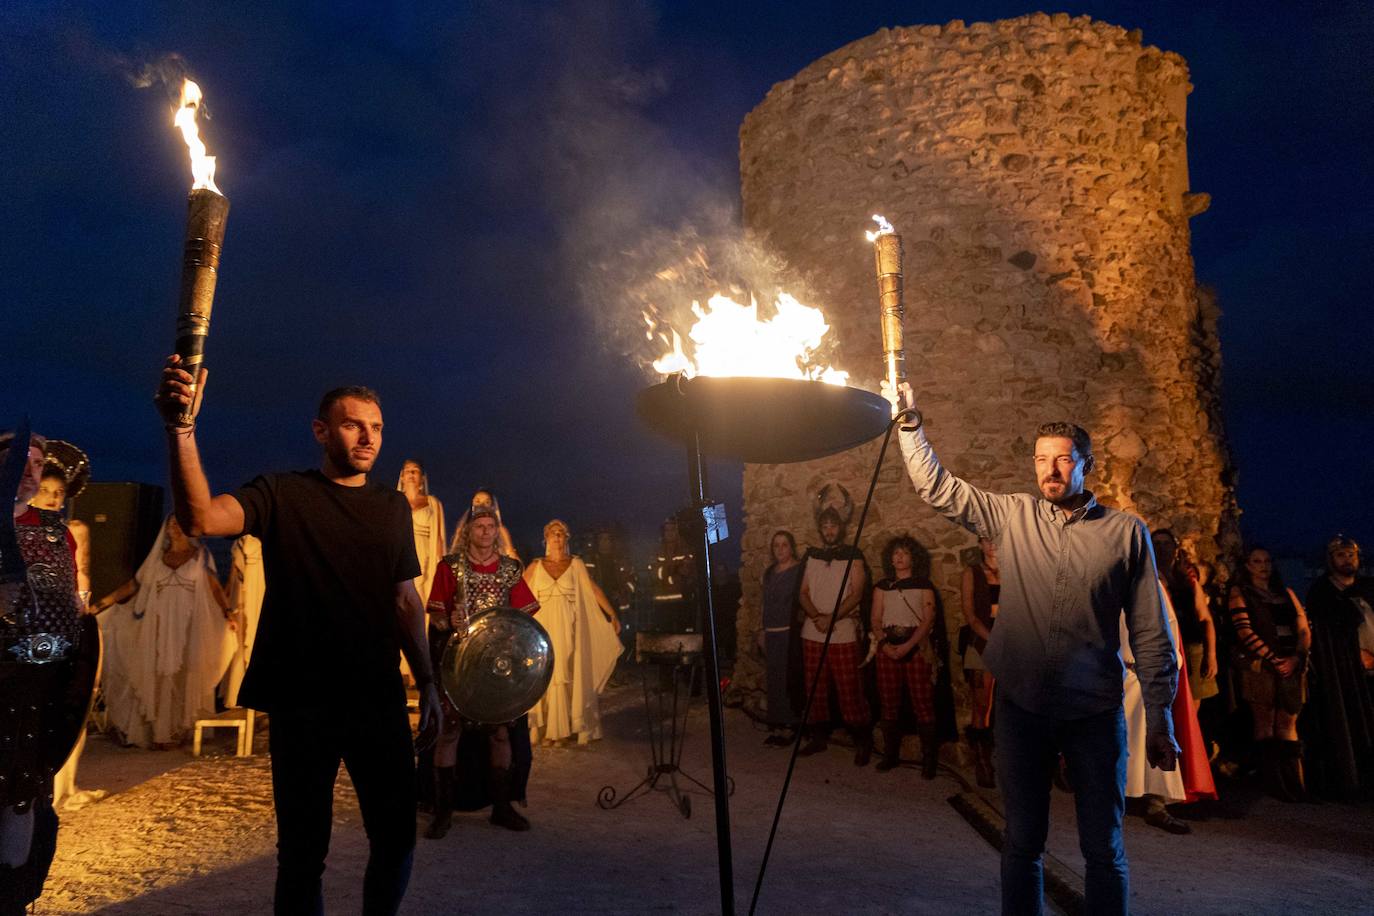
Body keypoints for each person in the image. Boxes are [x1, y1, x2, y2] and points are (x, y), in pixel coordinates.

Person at [154, 356, 441, 916]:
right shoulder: (282, 493)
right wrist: (181, 429)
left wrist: (427, 679)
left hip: (375, 696)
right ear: (321, 430)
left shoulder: (390, 508)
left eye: (377, 427)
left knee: (396, 837)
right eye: (354, 424)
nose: (368, 437)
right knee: (302, 855)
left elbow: (405, 599)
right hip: (301, 699)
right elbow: (201, 520)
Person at [888, 382, 1178, 916]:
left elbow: (1151, 633)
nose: (1052, 470)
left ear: (1086, 465)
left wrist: (1161, 718)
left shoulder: (1125, 533)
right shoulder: (1011, 516)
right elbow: (939, 489)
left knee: (1103, 850)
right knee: (1022, 844)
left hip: (1093, 711)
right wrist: (910, 427)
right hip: (1023, 709)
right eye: (1043, 459)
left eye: (1065, 460)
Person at [0, 428, 95, 914]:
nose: (31, 472)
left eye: (38, 463)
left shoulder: (57, 533)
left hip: (41, 691)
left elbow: (73, 610)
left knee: (27, 808)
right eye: (21, 460)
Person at [425, 507, 540, 836]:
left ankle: (501, 808)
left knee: (499, 733)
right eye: (480, 527)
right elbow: (436, 618)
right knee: (449, 731)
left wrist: (513, 640)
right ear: (468, 531)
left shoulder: (509, 570)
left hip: (497, 666)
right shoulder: (450, 567)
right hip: (458, 662)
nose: (486, 532)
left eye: (492, 527)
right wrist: (450, 621)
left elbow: (524, 619)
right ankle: (442, 812)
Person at [93, 514, 236, 748]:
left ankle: (181, 729)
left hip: (188, 623)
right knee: (159, 675)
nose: (175, 528)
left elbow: (215, 588)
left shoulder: (200, 556)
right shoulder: (157, 559)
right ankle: (160, 731)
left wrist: (228, 612)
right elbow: (134, 585)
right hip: (158, 625)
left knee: (185, 673)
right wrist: (100, 605)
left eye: (180, 524)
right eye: (171, 524)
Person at [28, 445, 105, 811]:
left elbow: (81, 576)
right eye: (45, 491)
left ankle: (66, 788)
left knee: (72, 703)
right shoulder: (15, 529)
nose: (52, 499)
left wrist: (80, 613)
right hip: (28, 627)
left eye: (58, 493)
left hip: (66, 623)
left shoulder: (72, 531)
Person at [525, 519, 622, 747]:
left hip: (569, 627)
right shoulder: (536, 566)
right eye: (553, 534)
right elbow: (520, 594)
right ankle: (548, 730)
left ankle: (568, 727)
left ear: (566, 539)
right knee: (547, 673)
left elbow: (593, 590)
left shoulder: (576, 564)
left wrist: (611, 614)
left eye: (561, 534)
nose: (557, 537)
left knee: (568, 671)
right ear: (546, 539)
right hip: (544, 628)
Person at [1229, 545, 1311, 801]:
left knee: (1287, 722)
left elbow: (1303, 627)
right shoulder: (1240, 593)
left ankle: (1296, 784)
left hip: (1290, 666)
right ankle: (1272, 782)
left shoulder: (1285, 594)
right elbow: (1244, 630)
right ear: (1247, 566)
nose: (1263, 565)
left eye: (1266, 560)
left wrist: (1297, 657)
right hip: (1261, 667)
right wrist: (1273, 658)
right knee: (1265, 722)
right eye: (1257, 561)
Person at [797, 506, 872, 765]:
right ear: (821, 529)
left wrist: (832, 618)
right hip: (813, 629)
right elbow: (803, 592)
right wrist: (818, 617)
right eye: (825, 526)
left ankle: (862, 739)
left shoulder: (854, 555)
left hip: (842, 631)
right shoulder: (812, 557)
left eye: (833, 526)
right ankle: (818, 736)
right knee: (815, 687)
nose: (829, 531)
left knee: (849, 686)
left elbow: (857, 594)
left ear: (841, 528)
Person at [1300, 535, 1374, 798]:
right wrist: (1354, 656)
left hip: (1371, 671)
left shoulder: (1367, 589)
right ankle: (1348, 783)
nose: (1347, 559)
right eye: (1341, 555)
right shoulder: (1323, 593)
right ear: (1331, 560)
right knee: (1345, 725)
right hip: (1342, 675)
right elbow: (1326, 637)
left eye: (1350, 554)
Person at [871, 535, 940, 777]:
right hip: (888, 647)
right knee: (889, 702)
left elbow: (927, 619)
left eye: (904, 553)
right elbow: (875, 618)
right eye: (896, 553)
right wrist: (885, 645)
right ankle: (890, 755)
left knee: (923, 703)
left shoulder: (924, 585)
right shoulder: (882, 586)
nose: (899, 557)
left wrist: (909, 645)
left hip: (916, 649)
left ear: (913, 558)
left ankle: (929, 760)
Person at [1152, 530, 1219, 716]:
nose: (1161, 548)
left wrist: (1211, 654)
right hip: (1164, 649)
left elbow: (1205, 618)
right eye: (1156, 543)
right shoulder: (1147, 577)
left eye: (1166, 543)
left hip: (1191, 647)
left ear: (1175, 548)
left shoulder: (1189, 579)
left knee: (1191, 708)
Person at [961, 537, 1000, 787]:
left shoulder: (1013, 570)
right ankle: (982, 763)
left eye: (995, 540)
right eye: (986, 541)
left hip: (1011, 641)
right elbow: (970, 613)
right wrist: (992, 639)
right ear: (979, 544)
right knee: (982, 704)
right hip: (981, 641)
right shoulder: (972, 573)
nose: (991, 545)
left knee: (1011, 704)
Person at [758, 530, 803, 747]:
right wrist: (762, 630)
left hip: (788, 632)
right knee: (774, 679)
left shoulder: (798, 571)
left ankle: (790, 725)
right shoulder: (769, 573)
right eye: (776, 545)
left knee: (788, 679)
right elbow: (765, 603)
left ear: (792, 547)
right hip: (772, 632)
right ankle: (776, 722)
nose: (780, 549)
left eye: (784, 545)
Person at [220, 534, 265, 709]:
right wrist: (224, 602)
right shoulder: (238, 542)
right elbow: (233, 574)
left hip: (258, 591)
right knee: (240, 638)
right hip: (241, 596)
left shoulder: (264, 540)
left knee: (255, 635)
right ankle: (239, 691)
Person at [448, 489, 518, 561]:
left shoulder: (500, 530)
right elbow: (453, 554)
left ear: (492, 506)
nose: (482, 505)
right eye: (477, 501)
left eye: (487, 502)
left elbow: (512, 557)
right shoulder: (463, 529)